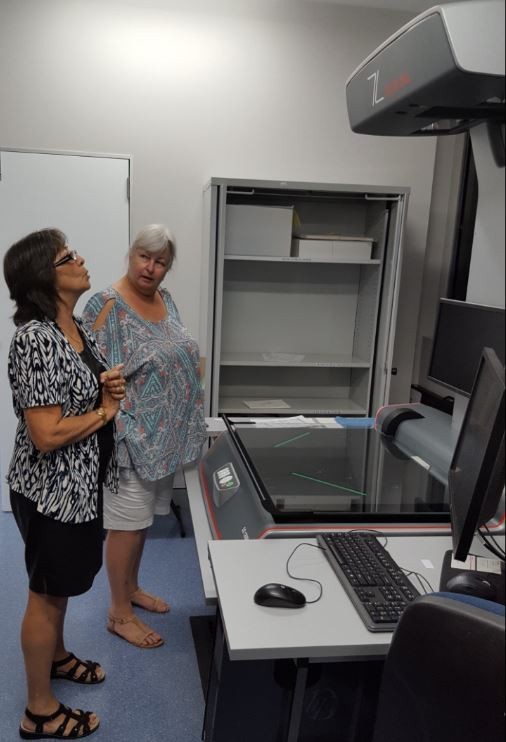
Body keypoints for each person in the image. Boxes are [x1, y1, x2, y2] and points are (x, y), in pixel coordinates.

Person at [3, 228, 126, 740]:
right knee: (45, 595)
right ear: (44, 277)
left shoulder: (73, 329)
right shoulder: (34, 339)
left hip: (78, 490)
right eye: (66, 256)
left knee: (61, 587)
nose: (80, 259)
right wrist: (104, 410)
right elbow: (46, 433)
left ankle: (54, 658)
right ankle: (39, 711)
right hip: (50, 492)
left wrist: (104, 384)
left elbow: (79, 388)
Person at [82, 224, 206, 649]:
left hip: (163, 440)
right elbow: (87, 373)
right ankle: (118, 613)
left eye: (161, 262)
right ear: (131, 254)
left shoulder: (165, 301)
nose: (150, 268)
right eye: (144, 257)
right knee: (126, 527)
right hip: (129, 440)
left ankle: (131, 589)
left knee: (143, 524)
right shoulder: (105, 305)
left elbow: (172, 351)